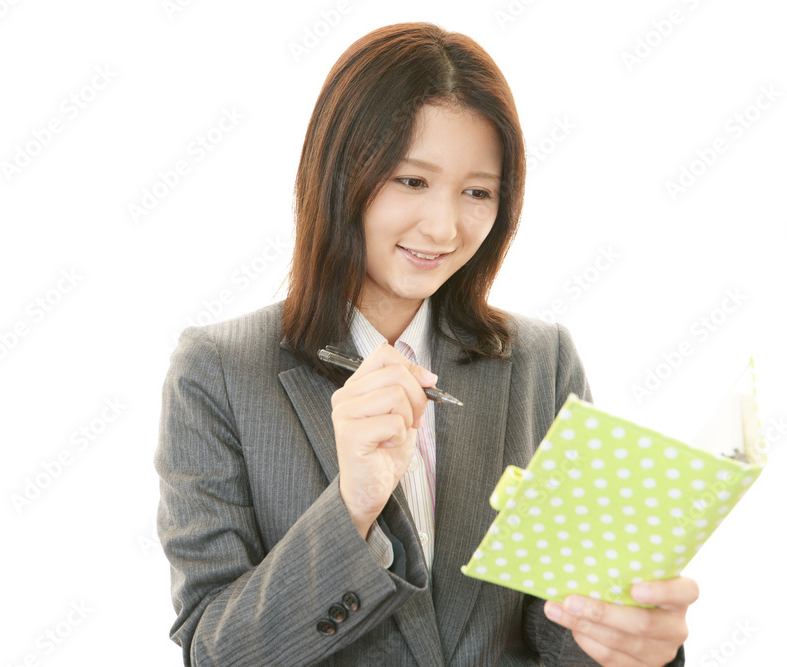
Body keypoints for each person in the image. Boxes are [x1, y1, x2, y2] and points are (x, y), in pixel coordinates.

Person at [155, 21, 697, 666]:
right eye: (412, 181)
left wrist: (632, 643)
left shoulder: (542, 364)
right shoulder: (219, 371)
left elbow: (562, 634)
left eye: (477, 192)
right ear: (339, 175)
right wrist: (352, 507)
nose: (443, 228)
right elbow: (216, 654)